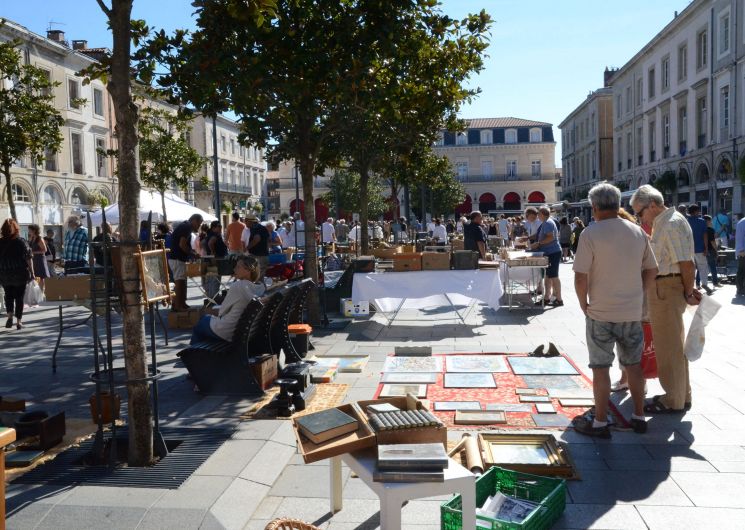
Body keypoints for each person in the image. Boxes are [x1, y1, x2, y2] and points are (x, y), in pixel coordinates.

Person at [572, 183, 658, 438]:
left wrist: (583, 303)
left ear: (594, 207)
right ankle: (639, 415)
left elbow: (580, 276)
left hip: (600, 311)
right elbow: (652, 269)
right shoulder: (637, 232)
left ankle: (600, 421)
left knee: (600, 368)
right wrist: (640, 292)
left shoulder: (591, 234)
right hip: (631, 311)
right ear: (618, 204)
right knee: (633, 365)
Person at [631, 185, 700, 413]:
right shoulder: (665, 222)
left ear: (652, 205)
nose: (639, 217)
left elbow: (686, 263)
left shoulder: (670, 224)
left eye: (639, 213)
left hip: (666, 287)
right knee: (673, 346)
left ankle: (673, 399)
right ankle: (681, 394)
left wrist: (689, 292)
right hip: (664, 286)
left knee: (668, 347)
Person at [190, 256, 266, 344]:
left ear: (248, 270)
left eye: (238, 267)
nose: (234, 269)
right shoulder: (260, 287)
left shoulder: (238, 286)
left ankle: (193, 354)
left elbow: (221, 312)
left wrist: (206, 311)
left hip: (228, 331)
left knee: (201, 322)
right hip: (246, 331)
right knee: (207, 318)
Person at [0, 219, 33, 329]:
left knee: (8, 295)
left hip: (4, 274)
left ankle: (9, 316)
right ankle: (19, 322)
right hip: (20, 273)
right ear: (16, 229)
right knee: (19, 297)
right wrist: (32, 272)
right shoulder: (21, 241)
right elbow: (29, 258)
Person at [168, 213, 203, 311]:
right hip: (177, 258)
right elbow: (182, 244)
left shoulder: (185, 226)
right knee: (179, 282)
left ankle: (179, 304)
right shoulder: (187, 227)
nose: (199, 226)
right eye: (199, 224)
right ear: (194, 221)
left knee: (181, 282)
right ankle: (178, 306)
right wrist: (193, 254)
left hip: (177, 258)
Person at [530, 206, 563, 306]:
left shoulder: (548, 222)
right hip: (549, 253)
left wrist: (538, 244)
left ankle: (559, 299)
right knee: (548, 276)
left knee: (554, 276)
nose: (537, 216)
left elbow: (551, 237)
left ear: (542, 214)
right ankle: (547, 298)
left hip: (553, 252)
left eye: (538, 214)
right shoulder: (546, 222)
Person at [27, 224, 49, 289]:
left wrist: (33, 252)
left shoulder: (39, 238)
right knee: (36, 277)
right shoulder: (32, 238)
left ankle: (42, 292)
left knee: (41, 277)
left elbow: (45, 250)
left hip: (40, 260)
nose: (28, 231)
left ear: (34, 230)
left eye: (30, 230)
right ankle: (39, 292)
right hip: (34, 260)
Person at [703, 215, 721, 288]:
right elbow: (712, 242)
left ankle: (699, 283)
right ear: (707, 221)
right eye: (710, 221)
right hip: (710, 250)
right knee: (713, 267)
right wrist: (716, 251)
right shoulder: (710, 230)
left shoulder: (701, 229)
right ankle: (715, 283)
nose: (712, 222)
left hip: (702, 250)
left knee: (701, 268)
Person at [736, 214, 745, 297]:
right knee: (741, 270)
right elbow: (739, 238)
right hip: (743, 252)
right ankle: (740, 289)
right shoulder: (742, 222)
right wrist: (741, 250)